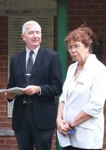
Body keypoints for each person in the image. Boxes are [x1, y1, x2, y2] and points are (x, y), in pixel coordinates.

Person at [6, 20, 62, 150]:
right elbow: (11, 85)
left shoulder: (51, 57)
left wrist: (39, 89)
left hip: (43, 115)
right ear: (23, 36)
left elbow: (57, 87)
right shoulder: (15, 59)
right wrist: (9, 95)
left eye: (38, 32)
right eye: (31, 33)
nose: (35, 36)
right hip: (21, 116)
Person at [56, 24, 106, 150]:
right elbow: (63, 97)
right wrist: (59, 120)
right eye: (69, 47)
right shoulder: (72, 68)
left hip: (86, 139)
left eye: (76, 46)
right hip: (66, 136)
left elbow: (95, 105)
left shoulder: (99, 70)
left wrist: (71, 124)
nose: (72, 50)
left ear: (87, 47)